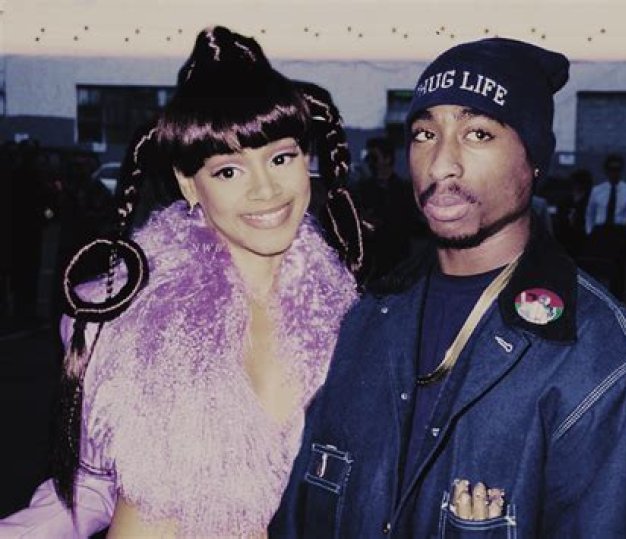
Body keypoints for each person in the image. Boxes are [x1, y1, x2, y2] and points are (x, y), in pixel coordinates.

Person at [271, 37, 626, 538]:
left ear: (534, 159)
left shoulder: (608, 361)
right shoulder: (364, 323)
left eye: (478, 134)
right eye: (425, 134)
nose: (440, 164)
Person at [0, 26, 361, 538]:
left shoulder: (355, 318)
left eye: (281, 158)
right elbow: (92, 485)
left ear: (308, 161)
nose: (266, 190)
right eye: (229, 171)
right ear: (190, 183)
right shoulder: (121, 314)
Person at [352, 136, 425, 283]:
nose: (370, 162)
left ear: (387, 159)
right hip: (371, 264)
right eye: (369, 158)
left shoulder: (405, 191)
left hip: (398, 263)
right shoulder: (362, 190)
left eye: (374, 158)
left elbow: (414, 224)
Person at [584, 153, 626, 297]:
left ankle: (617, 297)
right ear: (606, 171)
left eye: (617, 170)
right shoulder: (597, 191)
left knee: (619, 268)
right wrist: (590, 231)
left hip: (620, 232)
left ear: (621, 170)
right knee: (600, 268)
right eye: (611, 170)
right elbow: (589, 213)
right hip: (601, 231)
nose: (614, 173)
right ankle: (601, 297)